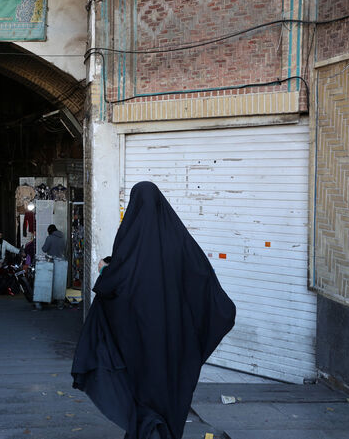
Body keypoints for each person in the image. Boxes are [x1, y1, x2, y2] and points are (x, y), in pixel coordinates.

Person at [71, 181, 236, 439]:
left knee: (142, 390)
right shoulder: (180, 242)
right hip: (173, 338)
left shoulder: (131, 240)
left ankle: (146, 430)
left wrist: (106, 268)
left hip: (139, 339)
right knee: (168, 389)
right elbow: (203, 281)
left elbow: (117, 285)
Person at [39, 224, 68, 310]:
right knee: (60, 283)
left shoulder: (50, 238)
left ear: (49, 231)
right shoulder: (63, 237)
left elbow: (44, 249)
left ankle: (49, 299)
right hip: (62, 262)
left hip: (52, 262)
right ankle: (60, 303)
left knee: (50, 282)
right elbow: (66, 249)